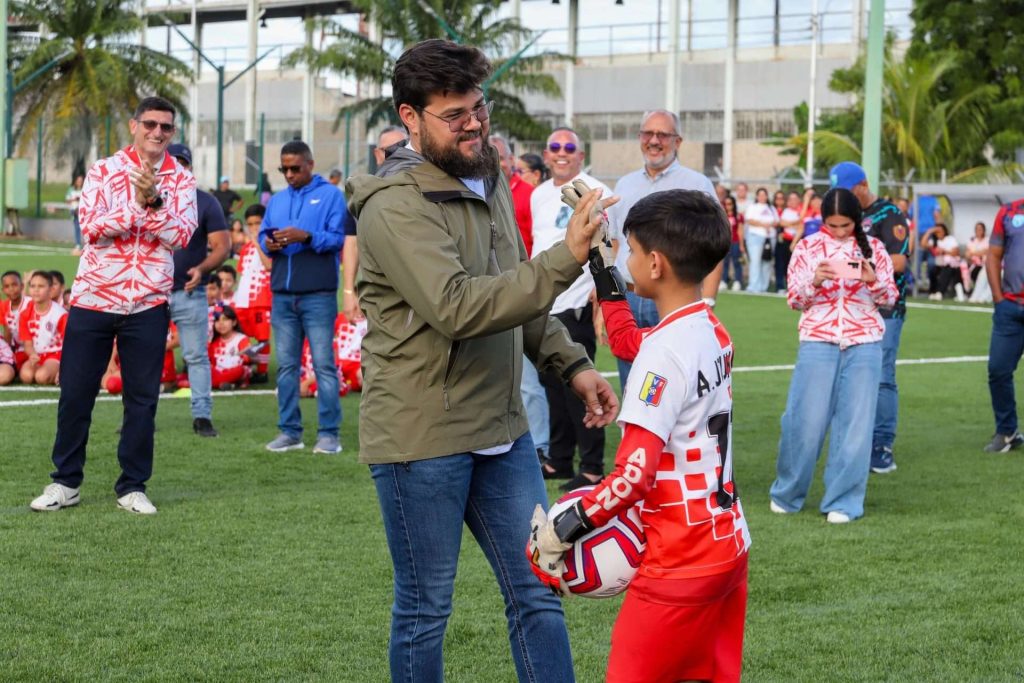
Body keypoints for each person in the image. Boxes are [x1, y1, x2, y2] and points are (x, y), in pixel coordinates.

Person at [345, 39, 618, 683]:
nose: (474, 123)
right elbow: (461, 306)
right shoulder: (393, 202)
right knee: (425, 608)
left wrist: (572, 364)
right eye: (454, 113)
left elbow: (512, 287)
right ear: (409, 118)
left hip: (502, 429)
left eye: (479, 107)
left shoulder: (489, 176)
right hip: (422, 436)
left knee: (538, 586)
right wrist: (567, 257)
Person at [529, 189, 750, 683]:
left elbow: (634, 475)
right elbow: (630, 340)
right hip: (728, 545)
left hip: (680, 558)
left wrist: (565, 528)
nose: (622, 256)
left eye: (627, 250)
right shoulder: (710, 329)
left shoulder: (665, 352)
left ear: (655, 263)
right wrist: (603, 267)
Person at [29, 96, 196, 515]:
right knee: (76, 394)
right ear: (134, 125)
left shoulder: (181, 180)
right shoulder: (104, 170)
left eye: (166, 128)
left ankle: (133, 486)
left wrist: (156, 202)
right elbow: (92, 228)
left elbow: (182, 236)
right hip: (94, 299)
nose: (158, 133)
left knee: (142, 400)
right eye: (151, 125)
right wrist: (138, 204)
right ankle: (65, 483)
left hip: (148, 303)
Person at [769, 188, 897, 523]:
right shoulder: (808, 248)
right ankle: (787, 492)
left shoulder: (876, 249)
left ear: (857, 220)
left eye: (846, 225)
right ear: (823, 220)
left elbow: (890, 299)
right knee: (802, 421)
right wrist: (815, 280)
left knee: (855, 426)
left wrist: (872, 281)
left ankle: (843, 502)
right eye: (832, 225)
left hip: (865, 342)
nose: (839, 232)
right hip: (817, 340)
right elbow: (795, 299)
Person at [606, 109, 719, 389]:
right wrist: (607, 297)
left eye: (662, 134)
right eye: (648, 133)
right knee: (631, 383)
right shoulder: (625, 184)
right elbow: (616, 243)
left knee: (676, 382)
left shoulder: (697, 186)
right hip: (629, 296)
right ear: (639, 137)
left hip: (673, 300)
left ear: (677, 141)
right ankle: (634, 433)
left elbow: (715, 248)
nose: (654, 140)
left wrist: (708, 302)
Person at [532, 126, 611, 490]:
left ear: (581, 154)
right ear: (546, 154)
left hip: (577, 301)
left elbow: (610, 244)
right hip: (542, 303)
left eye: (569, 147)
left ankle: (593, 466)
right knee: (551, 386)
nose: (561, 153)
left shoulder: (595, 191)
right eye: (554, 147)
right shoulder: (537, 195)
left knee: (580, 387)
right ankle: (561, 459)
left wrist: (601, 294)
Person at [259, 139, 347, 454]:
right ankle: (290, 432)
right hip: (282, 293)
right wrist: (269, 243)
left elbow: (339, 240)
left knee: (323, 365)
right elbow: (263, 233)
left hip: (318, 295)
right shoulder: (278, 200)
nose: (290, 174)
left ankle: (329, 434)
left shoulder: (332, 197)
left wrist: (306, 236)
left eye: (296, 168)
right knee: (285, 367)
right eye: (284, 169)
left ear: (310, 164)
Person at [830, 161, 910, 475]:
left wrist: (845, 268)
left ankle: (882, 444)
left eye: (847, 191)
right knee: (845, 376)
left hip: (886, 308)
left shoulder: (889, 215)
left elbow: (899, 262)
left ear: (862, 185)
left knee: (882, 377)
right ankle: (854, 441)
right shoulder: (846, 217)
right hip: (850, 309)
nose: (842, 198)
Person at [167, 142, 231, 438]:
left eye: (183, 163)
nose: (178, 167)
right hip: (150, 292)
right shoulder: (149, 197)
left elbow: (223, 247)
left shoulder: (205, 202)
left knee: (195, 355)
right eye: (173, 162)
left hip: (189, 291)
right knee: (142, 356)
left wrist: (202, 269)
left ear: (190, 167)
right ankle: (137, 416)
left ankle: (202, 415)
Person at [492, 133, 549, 459]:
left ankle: (539, 444)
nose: (498, 163)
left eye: (502, 157)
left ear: (512, 161)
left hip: (523, 286)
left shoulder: (529, 193)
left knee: (528, 379)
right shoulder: (487, 189)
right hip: (494, 291)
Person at [342, 126, 407, 323]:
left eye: (403, 148)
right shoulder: (363, 194)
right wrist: (348, 291)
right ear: (377, 154)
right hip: (378, 294)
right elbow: (352, 243)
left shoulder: (423, 187)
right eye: (391, 150)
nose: (398, 155)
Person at [984, 197, 1024, 452]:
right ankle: (1007, 431)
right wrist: (999, 299)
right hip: (1010, 308)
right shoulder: (1009, 211)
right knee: (998, 369)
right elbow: (993, 256)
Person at [234, 204, 273, 382]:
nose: (254, 227)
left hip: (261, 299)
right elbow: (243, 272)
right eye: (250, 224)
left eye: (258, 223)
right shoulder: (245, 248)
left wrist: (257, 243)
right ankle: (246, 364)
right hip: (242, 299)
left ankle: (262, 371)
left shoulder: (269, 243)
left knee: (262, 338)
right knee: (241, 334)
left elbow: (269, 265)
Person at [18, 270, 68, 385]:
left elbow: (70, 345)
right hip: (37, 354)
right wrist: (32, 355)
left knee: (41, 377)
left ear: (50, 290)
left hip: (56, 355)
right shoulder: (25, 313)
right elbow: (28, 344)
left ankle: (62, 371)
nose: (36, 290)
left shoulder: (60, 314)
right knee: (26, 376)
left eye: (41, 286)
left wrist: (65, 366)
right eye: (32, 286)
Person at [209, 305, 253, 389]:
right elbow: (211, 362)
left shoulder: (241, 339)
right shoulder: (213, 342)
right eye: (217, 320)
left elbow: (248, 357)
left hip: (235, 371)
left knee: (240, 370)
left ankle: (215, 383)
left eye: (225, 319)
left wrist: (240, 357)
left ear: (234, 322)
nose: (221, 323)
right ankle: (227, 384)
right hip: (219, 372)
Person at [743, 187, 778, 293]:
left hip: (769, 238)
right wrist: (763, 225)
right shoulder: (752, 207)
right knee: (755, 261)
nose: (762, 197)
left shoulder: (771, 208)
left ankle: (764, 286)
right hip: (755, 237)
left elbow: (777, 221)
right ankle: (754, 286)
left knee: (766, 262)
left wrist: (769, 225)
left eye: (764, 195)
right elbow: (749, 220)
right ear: (757, 196)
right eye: (760, 195)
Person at [921, 223, 960, 300]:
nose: (939, 233)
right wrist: (929, 232)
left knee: (946, 270)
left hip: (951, 264)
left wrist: (943, 251)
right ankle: (933, 291)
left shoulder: (950, 239)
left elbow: (956, 252)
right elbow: (923, 244)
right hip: (939, 264)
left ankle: (940, 292)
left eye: (940, 231)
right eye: (937, 231)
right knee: (932, 270)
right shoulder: (935, 241)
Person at [775, 191, 803, 292]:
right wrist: (795, 224)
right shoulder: (786, 211)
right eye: (790, 199)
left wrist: (790, 224)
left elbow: (801, 225)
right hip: (786, 240)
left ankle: (796, 287)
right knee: (785, 264)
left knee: (796, 265)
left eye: (795, 199)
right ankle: (786, 286)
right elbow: (782, 223)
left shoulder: (801, 210)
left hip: (797, 241)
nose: (792, 201)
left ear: (799, 200)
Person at [0, 270, 29, 368]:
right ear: (3, 290)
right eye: (7, 286)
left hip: (34, 348)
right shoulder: (4, 306)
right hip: (18, 347)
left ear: (22, 286)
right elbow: (7, 332)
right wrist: (8, 351)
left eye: (14, 285)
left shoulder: (31, 304)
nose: (11, 289)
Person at [722, 194, 745, 291]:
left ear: (733, 204)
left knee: (737, 262)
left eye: (730, 204)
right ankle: (723, 281)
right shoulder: (722, 215)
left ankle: (737, 281)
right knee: (724, 262)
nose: (728, 206)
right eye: (726, 204)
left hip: (735, 242)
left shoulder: (738, 216)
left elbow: (740, 230)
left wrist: (741, 245)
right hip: (725, 242)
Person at [964, 221, 988, 292]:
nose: (978, 231)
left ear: (984, 230)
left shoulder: (988, 240)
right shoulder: (972, 240)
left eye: (980, 229)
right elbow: (967, 254)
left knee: (977, 271)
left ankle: (976, 290)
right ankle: (967, 290)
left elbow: (986, 251)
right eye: (977, 229)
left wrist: (973, 253)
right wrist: (978, 253)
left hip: (984, 264)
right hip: (972, 263)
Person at [66, 174, 84, 255]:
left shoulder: (85, 189)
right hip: (74, 210)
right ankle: (78, 244)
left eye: (81, 181)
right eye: (78, 181)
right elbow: (67, 200)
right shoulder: (71, 190)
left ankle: (85, 243)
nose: (79, 182)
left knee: (84, 228)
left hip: (83, 211)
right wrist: (74, 199)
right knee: (77, 227)